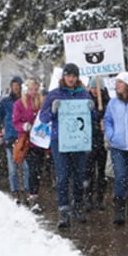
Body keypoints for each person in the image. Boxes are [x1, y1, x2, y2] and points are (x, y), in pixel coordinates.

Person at [39, 63, 94, 228]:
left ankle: (78, 206)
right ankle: (63, 211)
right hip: (60, 141)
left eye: (74, 76)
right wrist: (52, 111)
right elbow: (43, 118)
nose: (71, 79)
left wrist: (92, 109)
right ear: (63, 76)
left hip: (78, 140)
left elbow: (94, 116)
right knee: (62, 176)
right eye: (68, 75)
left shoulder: (84, 94)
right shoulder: (54, 94)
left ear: (77, 78)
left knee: (79, 175)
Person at [104, 71, 128, 225]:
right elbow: (107, 120)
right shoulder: (113, 103)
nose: (116, 85)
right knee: (120, 178)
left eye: (119, 82)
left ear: (127, 85)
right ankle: (119, 210)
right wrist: (111, 135)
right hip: (118, 147)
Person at [13, 77, 46, 213]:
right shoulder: (20, 104)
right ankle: (32, 197)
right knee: (32, 169)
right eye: (31, 89)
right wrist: (23, 126)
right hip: (27, 142)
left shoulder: (41, 102)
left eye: (35, 89)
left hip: (41, 141)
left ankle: (32, 193)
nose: (33, 92)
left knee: (38, 170)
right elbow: (15, 122)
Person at [0, 76, 30, 202]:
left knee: (26, 166)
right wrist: (0, 127)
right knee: (13, 167)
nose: (16, 88)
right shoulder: (5, 102)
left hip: (24, 136)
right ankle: (14, 190)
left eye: (18, 85)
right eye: (14, 85)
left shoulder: (26, 100)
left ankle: (27, 189)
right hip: (10, 137)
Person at [85, 77, 110, 212]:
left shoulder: (108, 101)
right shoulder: (85, 100)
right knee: (88, 171)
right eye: (93, 88)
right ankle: (88, 198)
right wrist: (95, 115)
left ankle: (100, 198)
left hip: (102, 142)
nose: (95, 91)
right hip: (89, 140)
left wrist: (103, 119)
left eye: (97, 88)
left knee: (101, 171)